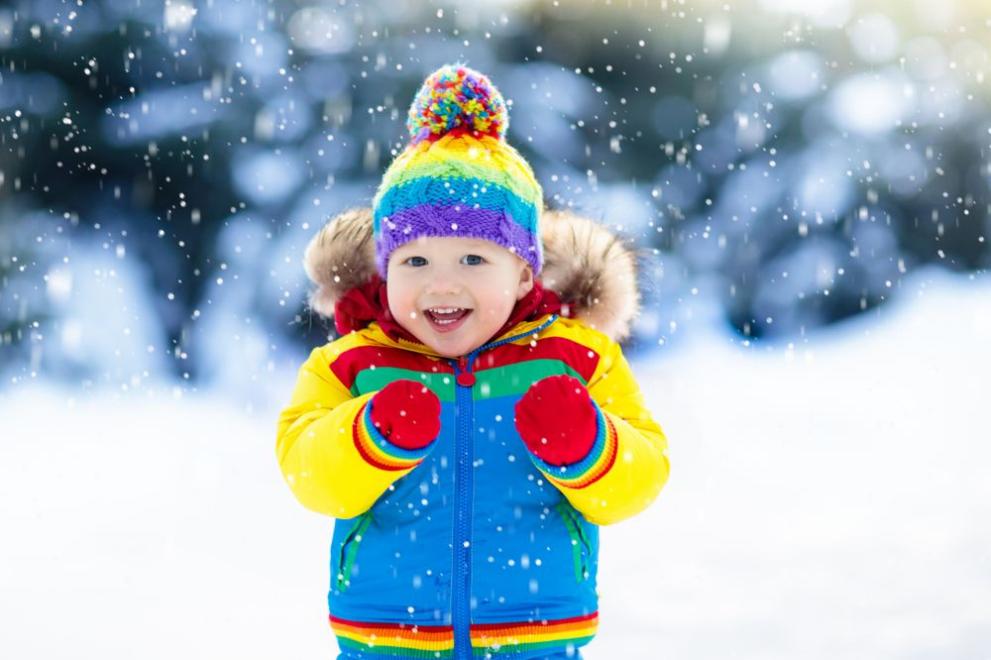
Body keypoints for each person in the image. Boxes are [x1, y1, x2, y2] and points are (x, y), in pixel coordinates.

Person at [276, 63, 670, 660]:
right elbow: (307, 474)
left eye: (471, 260)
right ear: (385, 269)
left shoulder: (575, 360)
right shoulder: (352, 364)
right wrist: (367, 438)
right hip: (388, 639)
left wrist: (588, 448)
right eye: (415, 262)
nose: (441, 286)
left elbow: (640, 480)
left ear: (522, 274)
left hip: (534, 637)